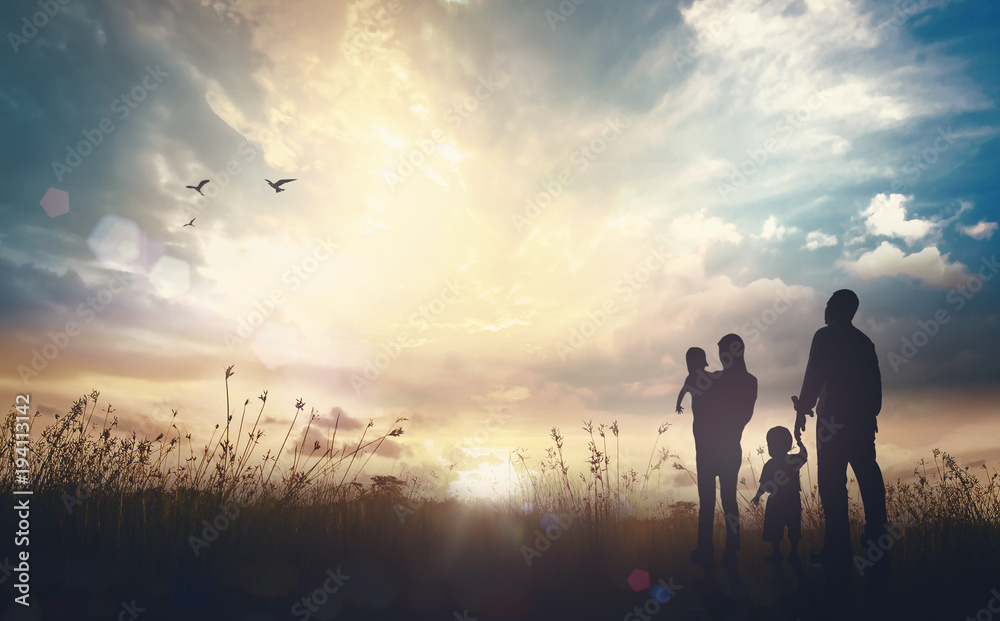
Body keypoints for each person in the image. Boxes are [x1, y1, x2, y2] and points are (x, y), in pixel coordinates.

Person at [792, 289, 886, 594]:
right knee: (869, 479)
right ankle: (876, 546)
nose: (825, 309)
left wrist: (802, 410)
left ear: (835, 309)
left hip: (832, 423)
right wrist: (869, 415)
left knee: (832, 488)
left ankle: (837, 552)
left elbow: (813, 375)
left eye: (828, 304)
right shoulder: (865, 342)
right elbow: (876, 390)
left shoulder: (825, 336)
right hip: (861, 423)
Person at [687, 334, 757, 567]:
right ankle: (731, 549)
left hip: (708, 449)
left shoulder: (714, 379)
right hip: (729, 447)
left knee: (708, 501)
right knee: (728, 499)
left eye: (721, 352)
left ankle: (705, 549)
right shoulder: (750, 381)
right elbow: (744, 416)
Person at [751, 426, 807, 566]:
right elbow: (804, 456)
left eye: (771, 444)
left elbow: (763, 485)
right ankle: (791, 553)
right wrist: (800, 444)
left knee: (777, 528)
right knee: (791, 527)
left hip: (777, 500)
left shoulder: (770, 464)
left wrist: (758, 496)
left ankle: (778, 553)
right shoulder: (792, 460)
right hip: (792, 499)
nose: (770, 447)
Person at [675, 347, 710, 414]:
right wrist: (678, 405)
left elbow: (682, 393)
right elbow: (682, 393)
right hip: (702, 412)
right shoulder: (692, 379)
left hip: (702, 412)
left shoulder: (690, 379)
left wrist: (678, 405)